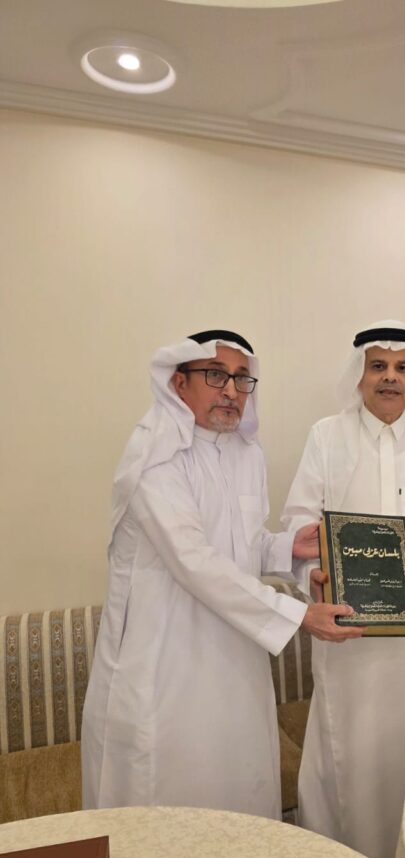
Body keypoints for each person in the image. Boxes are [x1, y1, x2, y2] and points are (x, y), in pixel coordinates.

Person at [82, 330, 362, 819]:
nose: (231, 390)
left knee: (238, 795)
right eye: (215, 375)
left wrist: (286, 546)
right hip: (165, 661)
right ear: (179, 383)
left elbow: (239, 545)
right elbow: (193, 559)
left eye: (241, 379)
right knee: (166, 805)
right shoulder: (155, 454)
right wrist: (299, 615)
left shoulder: (247, 454)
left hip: (234, 658)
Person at [281, 320, 405, 858]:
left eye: (402, 367)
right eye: (378, 366)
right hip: (354, 641)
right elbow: (299, 523)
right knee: (355, 762)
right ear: (360, 375)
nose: (390, 377)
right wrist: (314, 575)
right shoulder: (326, 436)